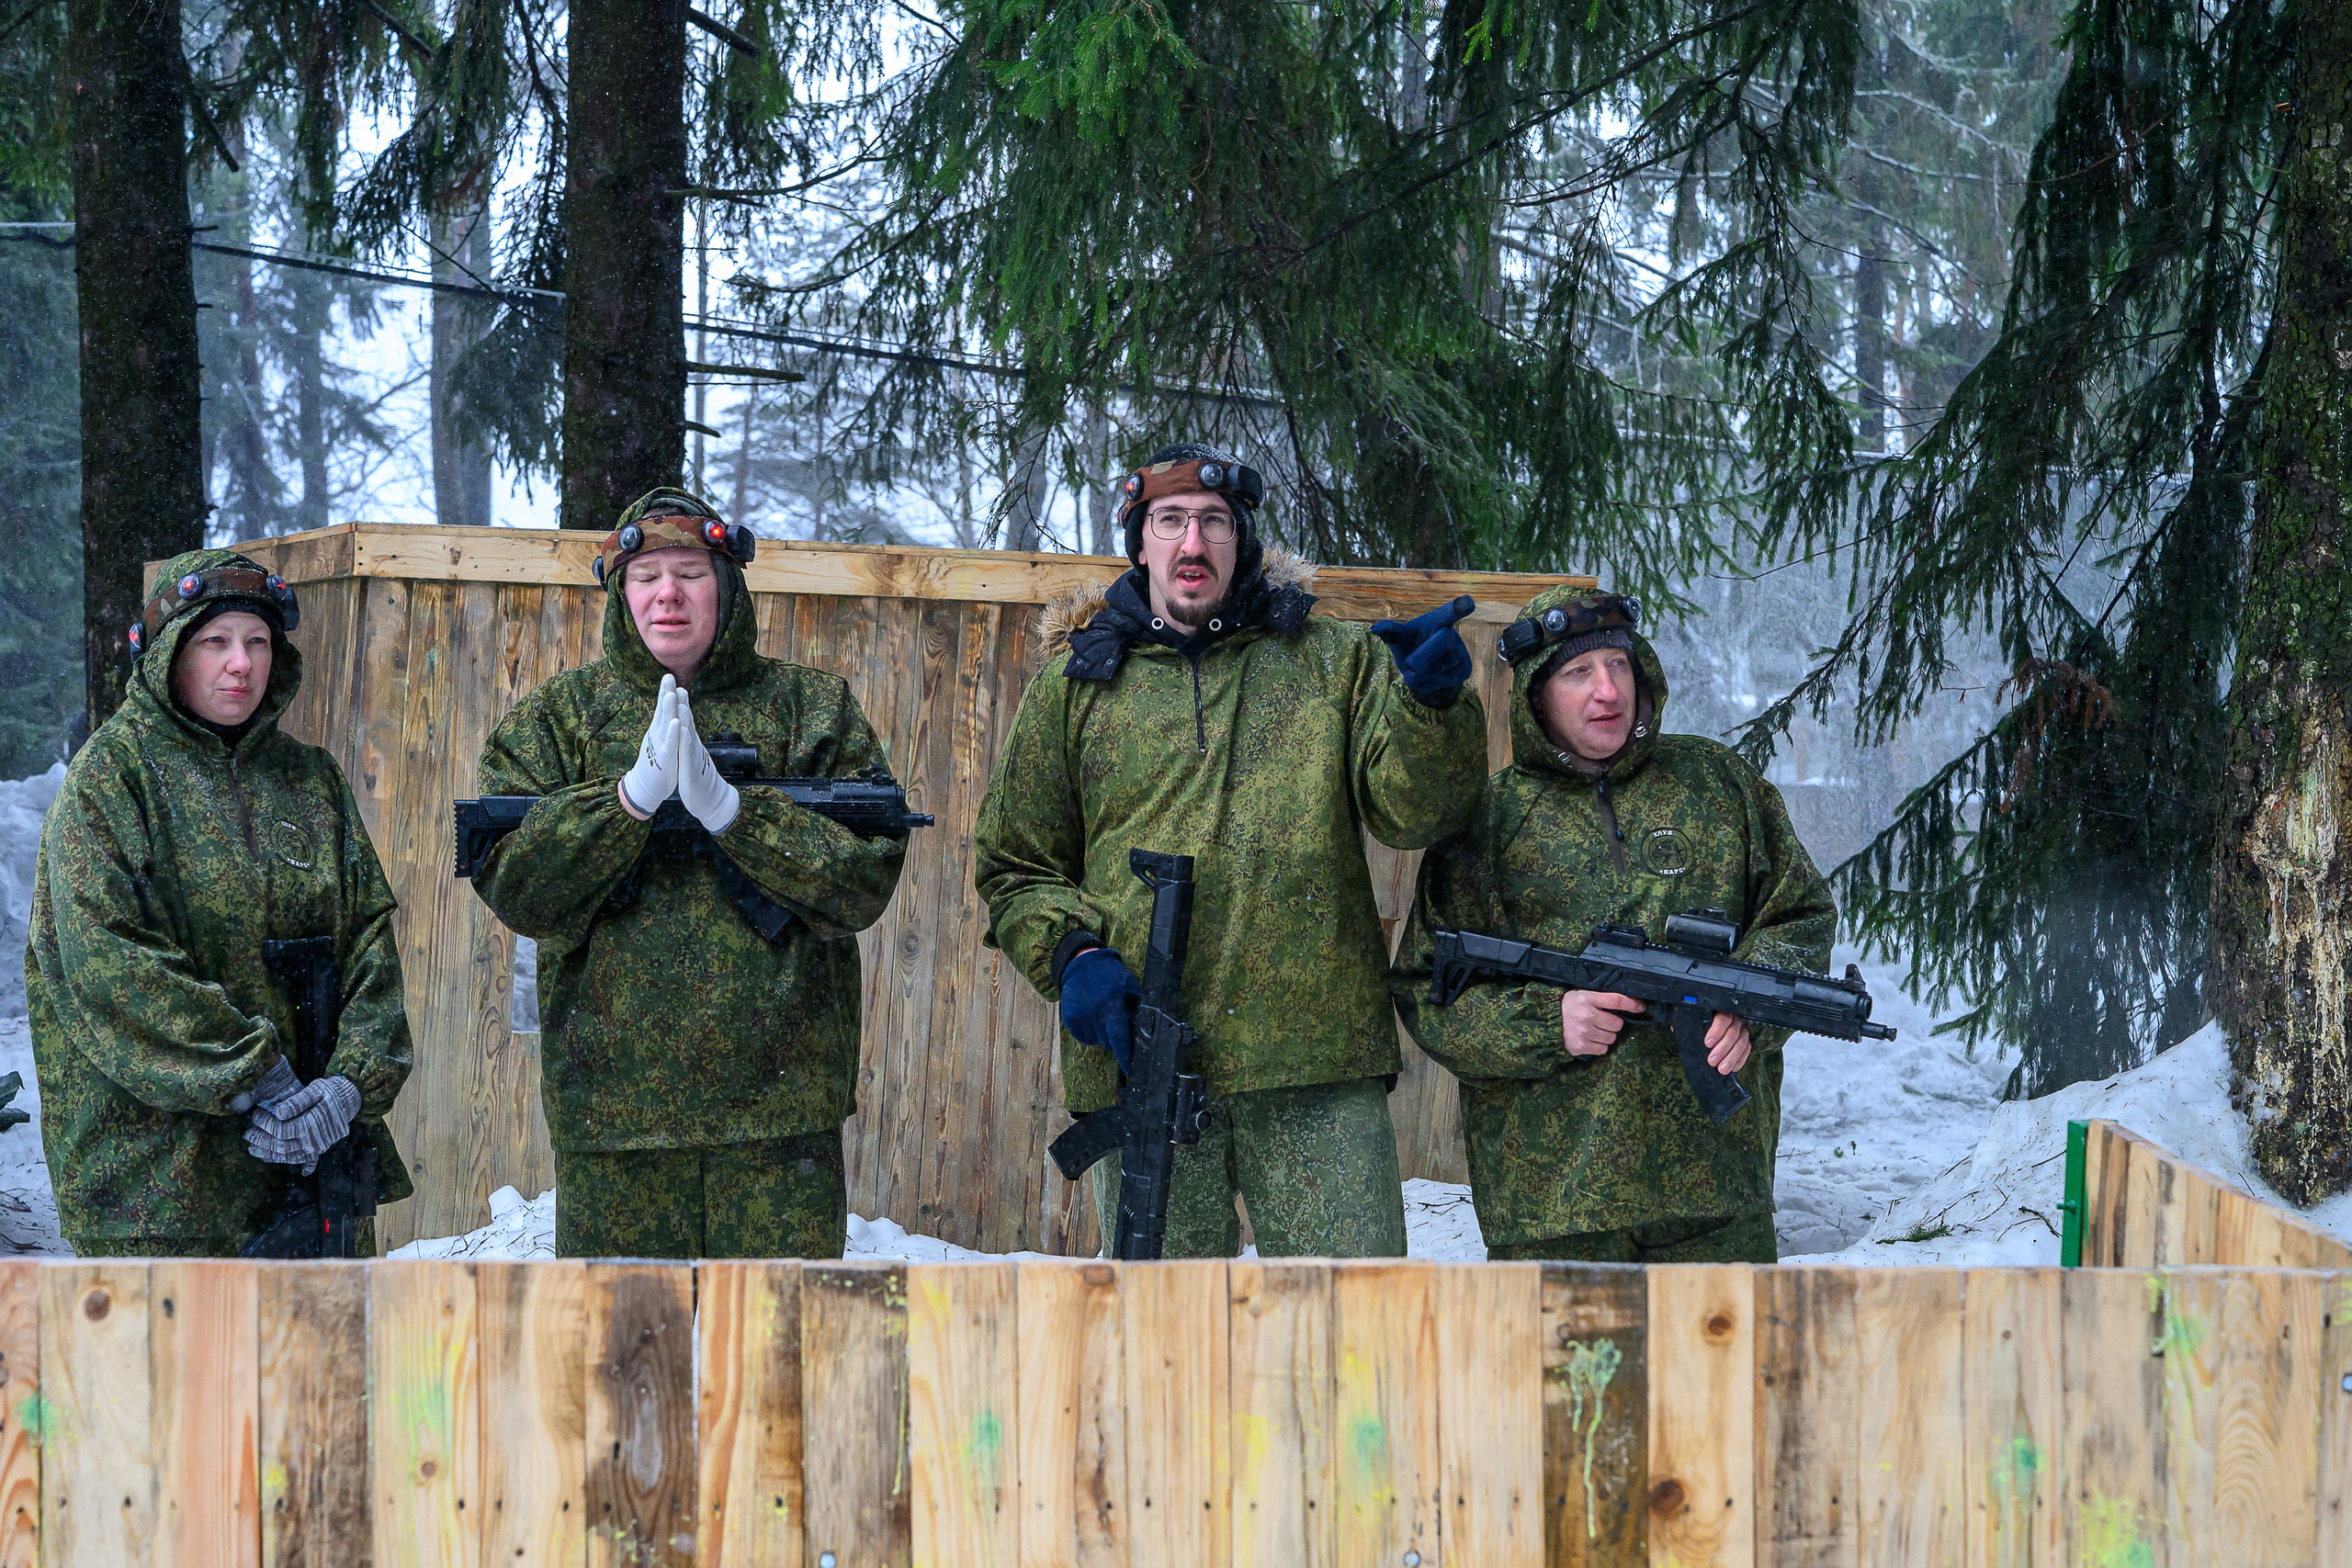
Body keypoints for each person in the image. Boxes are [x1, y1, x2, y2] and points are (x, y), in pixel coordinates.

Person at [973, 443, 1489, 1258]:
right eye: (1170, 521)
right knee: (1167, 1345)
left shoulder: (1332, 663)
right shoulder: (1074, 688)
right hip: (1141, 1065)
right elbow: (1013, 862)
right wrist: (1073, 955)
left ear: (1241, 540)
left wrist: (1431, 708)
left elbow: (1414, 813)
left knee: (1349, 1333)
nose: (1192, 543)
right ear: (1139, 542)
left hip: (1316, 1069)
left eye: (1214, 522)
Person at [471, 488, 906, 1258]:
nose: (667, 593)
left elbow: (861, 885)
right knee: (625, 1358)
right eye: (646, 576)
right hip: (613, 1123)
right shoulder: (559, 719)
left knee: (779, 1355)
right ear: (620, 592)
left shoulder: (811, 710)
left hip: (780, 1123)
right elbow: (517, 886)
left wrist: (738, 815)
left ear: (728, 586)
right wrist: (625, 804)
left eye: (690, 573)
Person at [1391, 585, 1837, 1263]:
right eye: (1578, 673)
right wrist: (1551, 1021)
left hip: (1715, 1197)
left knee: (1725, 1370)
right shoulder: (1488, 822)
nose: (1607, 691)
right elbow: (1428, 989)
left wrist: (1750, 1011)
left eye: (1619, 665)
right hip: (1550, 1206)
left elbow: (1800, 914)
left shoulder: (1716, 784)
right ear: (1536, 694)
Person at [27, 548, 413, 1257]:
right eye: (216, 641)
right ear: (170, 651)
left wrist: (347, 1089)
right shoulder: (110, 782)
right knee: (179, 1372)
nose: (241, 663)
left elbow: (368, 945)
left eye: (258, 641)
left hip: (310, 1182)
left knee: (318, 1367)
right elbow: (112, 970)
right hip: (161, 1195)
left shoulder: (310, 780)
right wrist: (256, 1074)